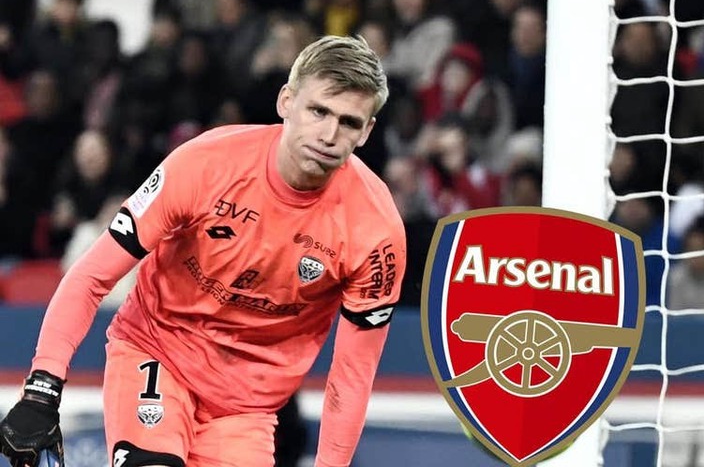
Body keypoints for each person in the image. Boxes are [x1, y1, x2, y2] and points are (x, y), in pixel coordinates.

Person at [0, 35, 407, 467]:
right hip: (156, 355)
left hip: (246, 410)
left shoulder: (376, 232)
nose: (328, 135)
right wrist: (42, 391)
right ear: (286, 101)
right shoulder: (206, 164)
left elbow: (352, 373)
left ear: (367, 131)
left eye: (348, 122)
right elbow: (90, 276)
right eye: (318, 111)